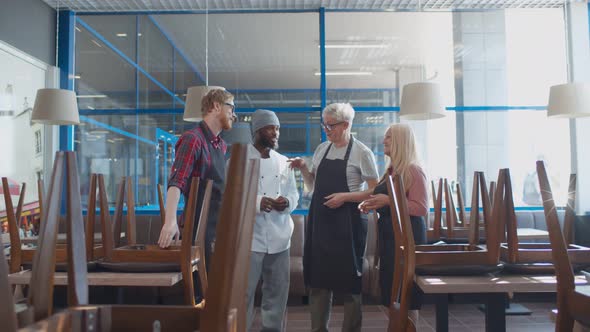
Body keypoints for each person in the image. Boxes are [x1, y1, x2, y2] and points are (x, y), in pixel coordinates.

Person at [290, 103, 379, 332]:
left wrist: (345, 197)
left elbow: (375, 191)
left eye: (331, 126)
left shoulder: (362, 152)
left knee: (350, 283)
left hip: (349, 222)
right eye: (324, 125)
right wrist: (303, 169)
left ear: (346, 125)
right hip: (321, 221)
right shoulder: (322, 149)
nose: (326, 130)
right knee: (318, 282)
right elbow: (312, 186)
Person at [158, 88, 237, 276]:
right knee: (203, 292)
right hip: (198, 231)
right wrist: (170, 221)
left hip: (218, 229)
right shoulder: (192, 139)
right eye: (231, 108)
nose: (234, 115)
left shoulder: (221, 145)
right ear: (216, 106)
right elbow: (177, 182)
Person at [358, 123, 428, 307]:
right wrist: (372, 203)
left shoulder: (413, 170)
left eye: (388, 137)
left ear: (400, 141)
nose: (383, 140)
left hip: (407, 239)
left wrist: (388, 201)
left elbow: (420, 207)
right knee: (391, 295)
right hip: (390, 238)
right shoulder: (391, 171)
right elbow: (385, 199)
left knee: (407, 298)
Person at [245, 109, 299, 332]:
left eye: (277, 128)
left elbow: (294, 194)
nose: (276, 132)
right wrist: (259, 202)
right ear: (257, 131)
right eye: (270, 128)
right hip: (250, 240)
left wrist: (287, 202)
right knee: (244, 294)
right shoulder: (239, 159)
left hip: (280, 238)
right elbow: (233, 196)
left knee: (276, 294)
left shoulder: (283, 161)